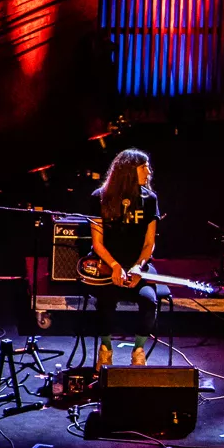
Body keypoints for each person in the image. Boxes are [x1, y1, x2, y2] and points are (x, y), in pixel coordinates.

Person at [89, 148, 161, 367]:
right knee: (105, 300)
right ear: (129, 170)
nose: (149, 171)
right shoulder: (100, 197)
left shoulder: (149, 199)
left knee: (149, 301)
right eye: (144, 167)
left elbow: (149, 243)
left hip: (138, 264)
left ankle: (138, 351)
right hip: (107, 264)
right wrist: (114, 266)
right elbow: (97, 243)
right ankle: (105, 349)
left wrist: (138, 267)